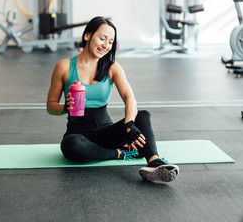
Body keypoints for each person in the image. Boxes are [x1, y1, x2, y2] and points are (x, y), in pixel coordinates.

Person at [46, 16, 179, 182]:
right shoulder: (63, 66)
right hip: (78, 134)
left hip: (107, 133)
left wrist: (130, 125)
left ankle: (154, 162)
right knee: (70, 145)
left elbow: (129, 98)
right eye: (102, 39)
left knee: (143, 115)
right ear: (87, 35)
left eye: (110, 42)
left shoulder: (112, 67)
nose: (106, 45)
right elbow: (50, 106)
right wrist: (64, 108)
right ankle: (120, 153)